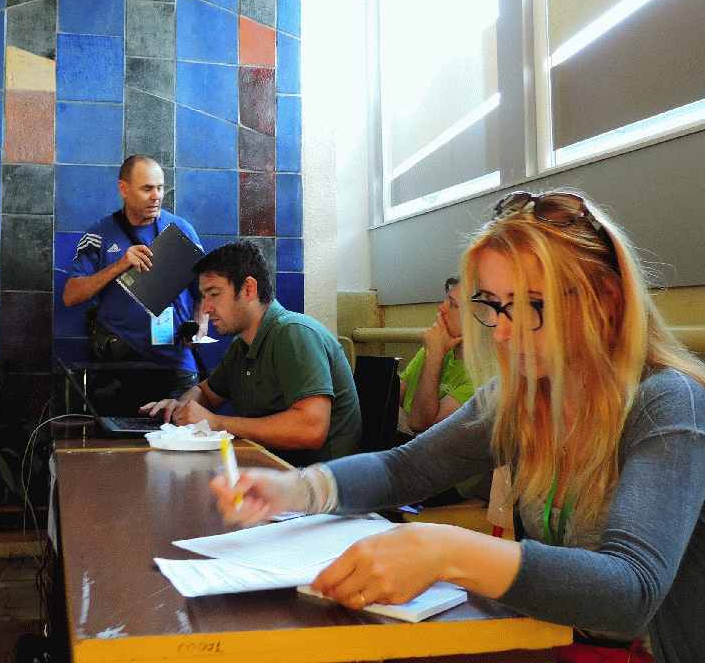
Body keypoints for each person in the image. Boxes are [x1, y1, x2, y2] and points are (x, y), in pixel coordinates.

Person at [210, 191, 705, 663]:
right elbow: (404, 469)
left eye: (531, 305)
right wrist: (294, 489)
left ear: (607, 299)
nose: (503, 332)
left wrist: (447, 551)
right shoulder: (521, 397)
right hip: (551, 640)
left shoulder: (667, 403)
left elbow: (631, 591)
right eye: (493, 304)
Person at [143, 241, 362, 466]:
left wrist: (216, 422)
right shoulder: (242, 346)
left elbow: (311, 429)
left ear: (248, 288)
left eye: (214, 294)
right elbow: (206, 393)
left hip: (317, 481)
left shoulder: (294, 333)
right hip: (273, 473)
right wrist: (180, 408)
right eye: (204, 296)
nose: (206, 308)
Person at [62, 155, 205, 398]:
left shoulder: (181, 231)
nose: (156, 196)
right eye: (147, 189)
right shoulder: (99, 234)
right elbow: (70, 296)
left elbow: (205, 292)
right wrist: (120, 265)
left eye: (160, 188)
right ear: (124, 189)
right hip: (119, 363)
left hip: (176, 364)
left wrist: (200, 326)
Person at [399, 277, 473, 434]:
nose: (441, 308)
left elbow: (420, 424)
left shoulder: (483, 377)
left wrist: (434, 356)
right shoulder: (436, 347)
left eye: (452, 304)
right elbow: (391, 398)